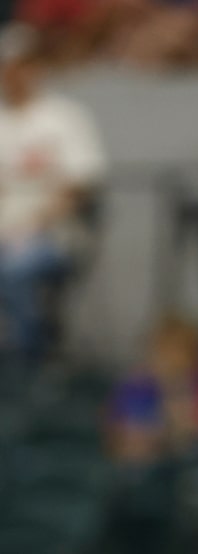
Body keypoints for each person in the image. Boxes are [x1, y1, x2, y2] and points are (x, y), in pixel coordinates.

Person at [0, 22, 107, 362]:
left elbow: (80, 185)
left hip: (54, 233)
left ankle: (29, 362)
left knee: (16, 269)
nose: (13, 74)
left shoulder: (63, 116)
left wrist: (30, 224)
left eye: (22, 64)